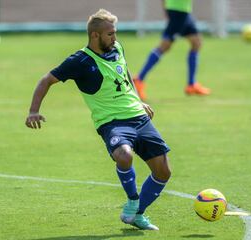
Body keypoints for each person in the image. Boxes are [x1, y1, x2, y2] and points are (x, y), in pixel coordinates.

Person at [25, 9, 171, 231]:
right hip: (112, 122)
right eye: (110, 34)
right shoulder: (80, 60)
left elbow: (124, 75)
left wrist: (138, 100)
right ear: (95, 35)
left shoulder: (117, 48)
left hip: (139, 118)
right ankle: (133, 200)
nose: (115, 38)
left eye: (115, 33)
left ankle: (137, 214)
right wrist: (33, 111)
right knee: (124, 156)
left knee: (163, 171)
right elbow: (46, 80)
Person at [134, 0, 211, 101]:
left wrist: (166, 9)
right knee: (164, 46)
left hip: (181, 11)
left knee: (196, 43)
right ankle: (139, 80)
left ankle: (192, 84)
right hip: (178, 11)